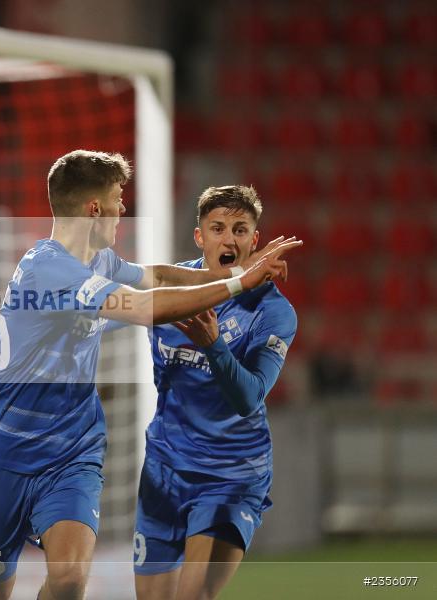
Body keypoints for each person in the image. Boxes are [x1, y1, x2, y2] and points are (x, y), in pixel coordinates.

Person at [0, 151, 301, 600]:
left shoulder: (99, 261)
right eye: (118, 199)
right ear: (94, 209)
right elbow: (145, 307)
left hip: (74, 451)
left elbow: (158, 277)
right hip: (7, 451)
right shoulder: (46, 271)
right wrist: (241, 282)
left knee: (67, 579)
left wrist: (239, 272)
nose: (124, 209)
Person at [132, 185, 298, 600]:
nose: (229, 239)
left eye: (240, 230)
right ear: (199, 236)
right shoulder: (174, 289)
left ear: (255, 240)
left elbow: (249, 397)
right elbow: (120, 289)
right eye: (218, 228)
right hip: (164, 469)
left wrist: (213, 345)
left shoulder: (273, 312)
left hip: (230, 474)